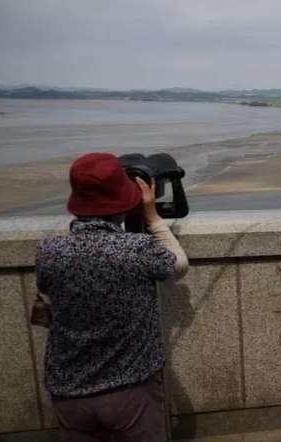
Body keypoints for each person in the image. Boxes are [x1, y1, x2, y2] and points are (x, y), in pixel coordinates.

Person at [35, 152, 189, 442]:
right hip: (130, 391)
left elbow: (48, 290)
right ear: (126, 198)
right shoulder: (137, 250)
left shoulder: (48, 251)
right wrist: (152, 216)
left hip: (69, 393)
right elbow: (178, 265)